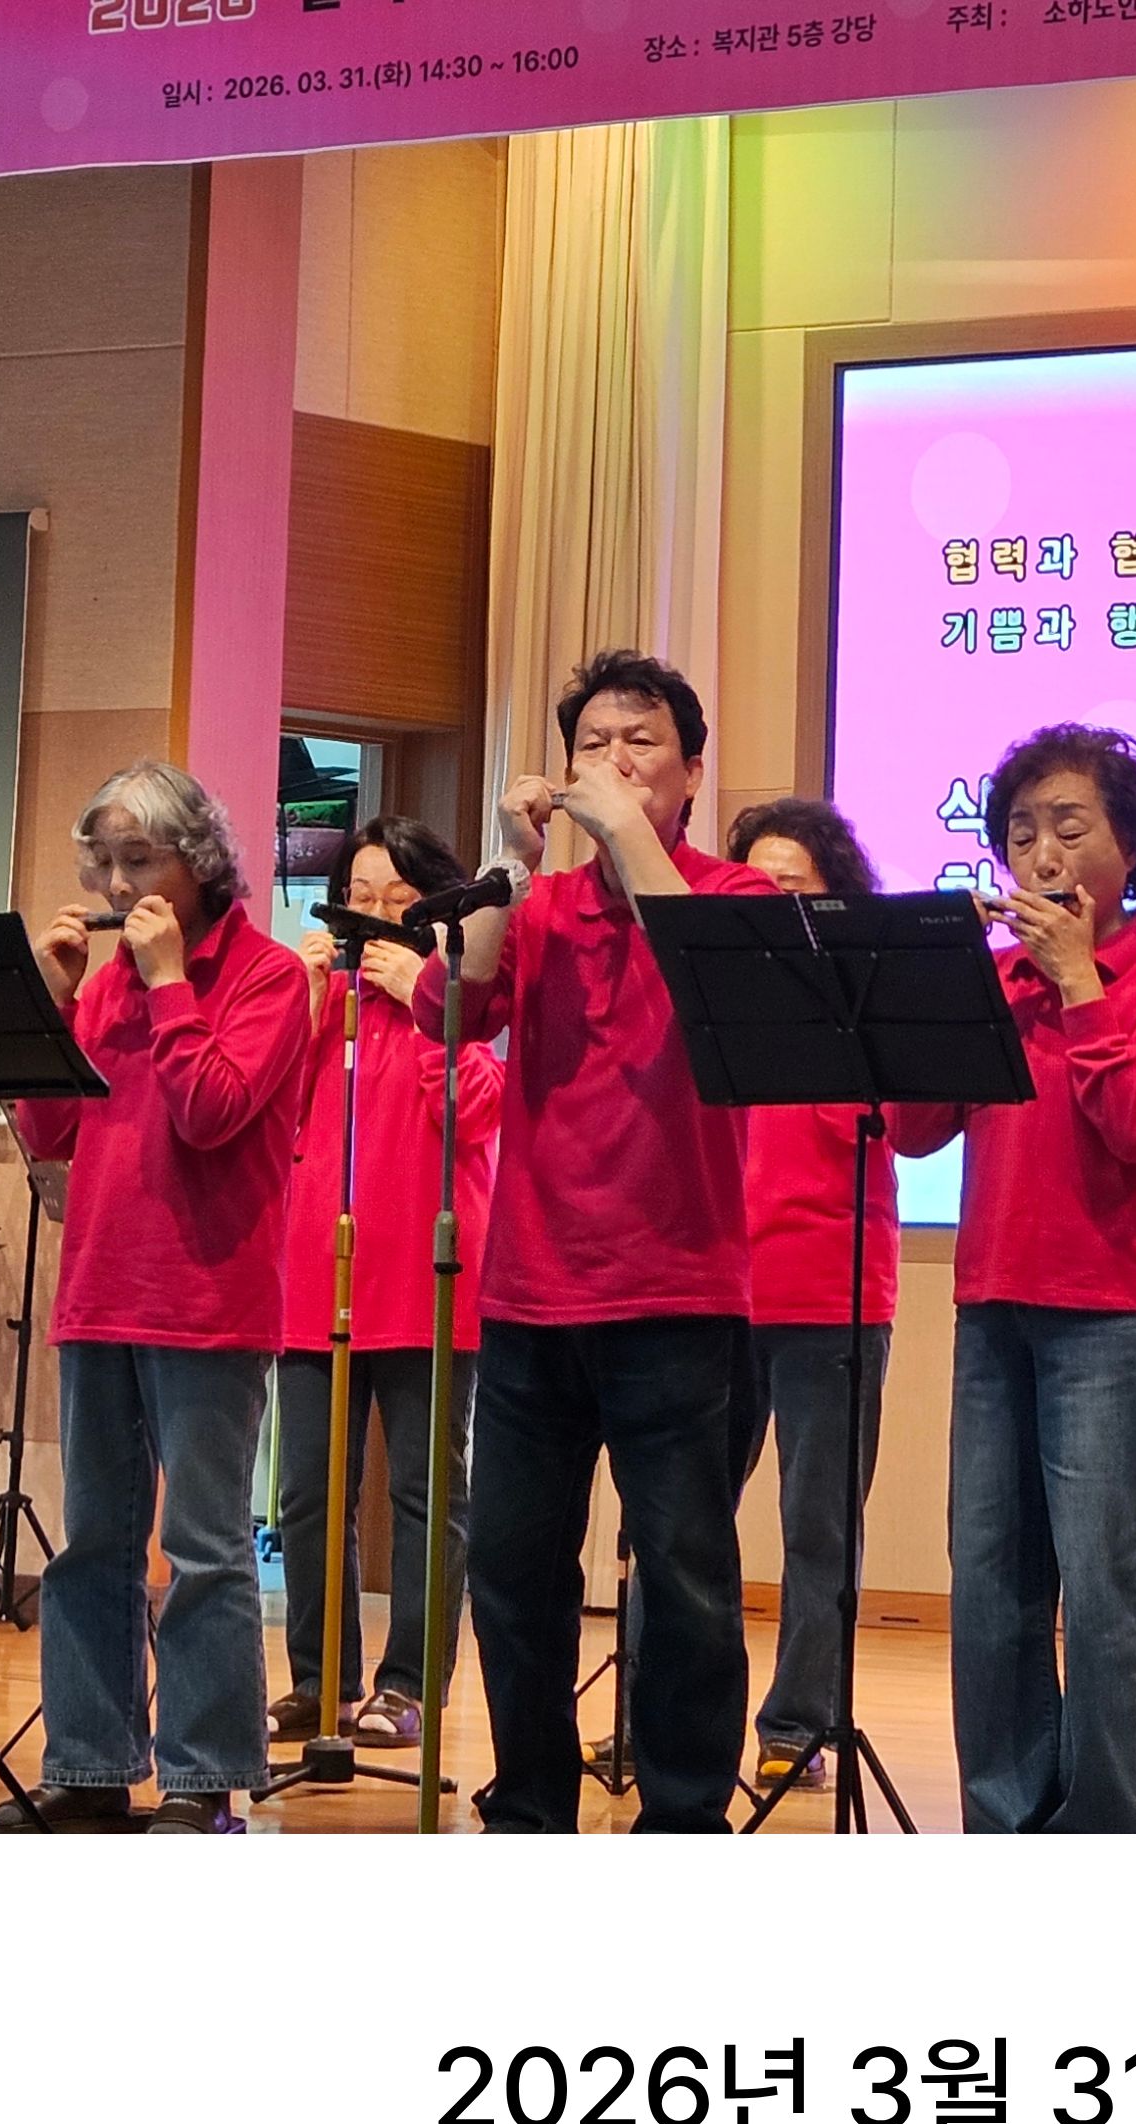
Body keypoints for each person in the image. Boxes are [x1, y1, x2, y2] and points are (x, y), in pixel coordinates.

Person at [418, 651, 778, 1832]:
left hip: (678, 1292)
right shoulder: (541, 907)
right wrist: (508, 867)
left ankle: (682, 1816)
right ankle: (531, 1803)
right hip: (531, 1291)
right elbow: (454, 1007)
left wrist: (626, 836)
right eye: (592, 746)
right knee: (512, 1567)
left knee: (683, 1575)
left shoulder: (735, 896)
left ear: (691, 772)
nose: (613, 763)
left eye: (641, 742)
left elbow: (715, 993)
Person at [890, 724, 1136, 1833]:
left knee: (1109, 1583)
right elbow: (914, 1130)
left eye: (1069, 828)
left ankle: (1105, 1828)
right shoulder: (997, 979)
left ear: (1131, 846)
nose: (1041, 853)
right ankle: (1005, 1823)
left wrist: (1080, 983)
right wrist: (931, 996)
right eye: (1022, 831)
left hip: (1117, 1317)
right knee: (990, 1581)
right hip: (992, 1302)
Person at [0, 761, 313, 1833]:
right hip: (100, 1288)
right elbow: (49, 1133)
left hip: (208, 1299)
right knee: (92, 1542)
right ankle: (89, 1764)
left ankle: (202, 1775)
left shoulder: (269, 977)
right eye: (105, 863)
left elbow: (212, 1112)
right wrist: (49, 1007)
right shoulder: (105, 986)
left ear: (201, 860)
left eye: (141, 860)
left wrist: (170, 983)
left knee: (206, 1549)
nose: (120, 885)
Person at [269, 815, 498, 1754]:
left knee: (423, 1494)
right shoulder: (320, 1003)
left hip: (426, 1279)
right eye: (358, 898)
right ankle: (319, 1680)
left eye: (397, 902)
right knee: (308, 1494)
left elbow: (475, 1112)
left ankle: (409, 1685)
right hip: (312, 1275)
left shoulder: (460, 1003)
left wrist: (425, 1003)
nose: (371, 917)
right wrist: (304, 1005)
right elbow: (265, 1113)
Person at [721, 795, 900, 1794]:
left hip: (833, 1288)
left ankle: (796, 1724)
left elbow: (911, 1126)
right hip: (716, 1284)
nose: (770, 904)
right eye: (752, 887)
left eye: (790, 886)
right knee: (686, 1516)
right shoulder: (713, 990)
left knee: (819, 1526)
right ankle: (675, 1712)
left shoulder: (867, 989)